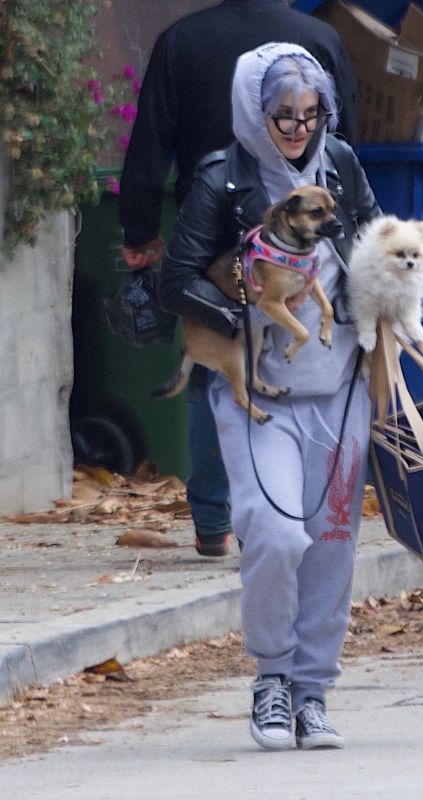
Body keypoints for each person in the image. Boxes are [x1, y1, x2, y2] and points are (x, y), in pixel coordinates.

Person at [158, 42, 381, 751]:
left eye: (309, 115)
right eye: (283, 115)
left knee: (332, 544)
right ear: (257, 110)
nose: (296, 128)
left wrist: (392, 298)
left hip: (340, 389)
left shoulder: (339, 165)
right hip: (262, 390)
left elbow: (372, 242)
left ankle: (312, 692)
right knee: (276, 532)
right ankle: (270, 680)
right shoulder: (222, 178)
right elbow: (177, 279)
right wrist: (245, 308)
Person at [119, 0, 359, 558]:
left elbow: (150, 143)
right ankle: (288, 509)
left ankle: (212, 518)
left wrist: (139, 229)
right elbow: (347, 138)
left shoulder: (181, 39)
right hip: (300, 230)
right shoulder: (318, 38)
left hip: (208, 238)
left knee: (216, 372)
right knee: (298, 377)